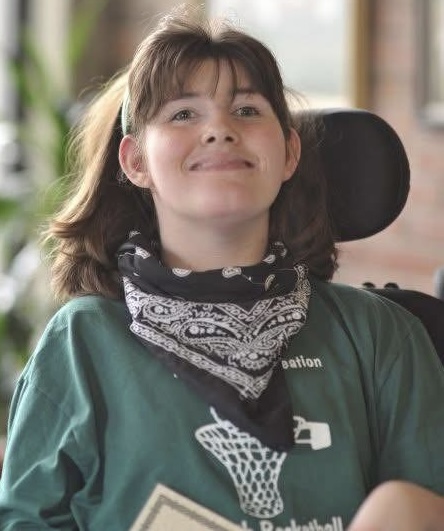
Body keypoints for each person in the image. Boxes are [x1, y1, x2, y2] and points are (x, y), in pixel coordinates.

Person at [0, 5, 443, 530]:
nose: (220, 129)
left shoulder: (380, 334)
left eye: (248, 110)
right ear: (136, 162)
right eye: (183, 114)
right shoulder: (82, 343)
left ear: (289, 153)